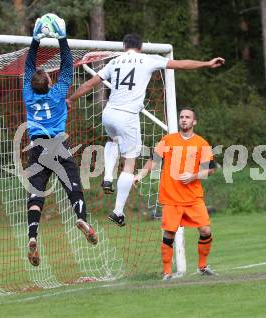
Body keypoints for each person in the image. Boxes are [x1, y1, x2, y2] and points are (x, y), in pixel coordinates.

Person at [68, 33, 224, 227]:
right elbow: (180, 64)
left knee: (113, 140)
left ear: (124, 46)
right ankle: (118, 211)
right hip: (128, 116)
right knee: (129, 164)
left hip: (109, 113)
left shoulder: (114, 61)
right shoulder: (148, 59)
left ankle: (108, 177)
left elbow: (89, 84)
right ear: (141, 47)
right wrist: (206, 63)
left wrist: (70, 99)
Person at [23, 18, 97, 267]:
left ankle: (33, 235)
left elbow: (29, 64)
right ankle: (81, 216)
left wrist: (35, 39)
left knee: (36, 192)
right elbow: (68, 64)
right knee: (73, 183)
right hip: (57, 145)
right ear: (51, 83)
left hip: (36, 147)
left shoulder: (27, 93)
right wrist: (62, 37)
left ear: (32, 84)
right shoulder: (58, 93)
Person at [134, 108, 216, 278]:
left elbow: (210, 170)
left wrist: (192, 176)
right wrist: (140, 175)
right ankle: (167, 272)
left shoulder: (202, 143)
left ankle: (202, 266)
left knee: (205, 230)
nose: (184, 119)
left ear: (194, 122)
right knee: (169, 233)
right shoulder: (167, 140)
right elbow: (154, 161)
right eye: (182, 117)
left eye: (188, 117)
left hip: (193, 197)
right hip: (171, 197)